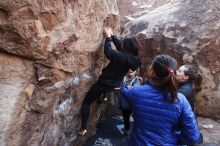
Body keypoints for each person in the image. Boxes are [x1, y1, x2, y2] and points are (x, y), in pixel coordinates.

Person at [120, 55, 202, 146]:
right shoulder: (180, 99)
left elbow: (124, 91)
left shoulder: (136, 91)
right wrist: (173, 139)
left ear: (151, 72)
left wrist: (121, 84)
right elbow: (193, 137)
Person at [79, 27, 141, 135]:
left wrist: (107, 38)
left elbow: (108, 52)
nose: (121, 44)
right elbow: (119, 46)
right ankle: (104, 97)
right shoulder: (133, 58)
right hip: (115, 84)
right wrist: (112, 36)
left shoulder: (121, 56)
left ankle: (83, 128)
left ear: (125, 47)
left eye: (123, 44)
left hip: (104, 83)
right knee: (107, 89)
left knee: (86, 103)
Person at [119, 69, 142, 137]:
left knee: (137, 119)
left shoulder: (137, 80)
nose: (131, 70)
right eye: (129, 68)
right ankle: (126, 131)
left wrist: (124, 88)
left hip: (134, 104)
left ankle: (137, 133)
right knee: (126, 118)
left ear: (136, 71)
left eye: (133, 69)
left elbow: (133, 91)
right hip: (125, 104)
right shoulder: (123, 78)